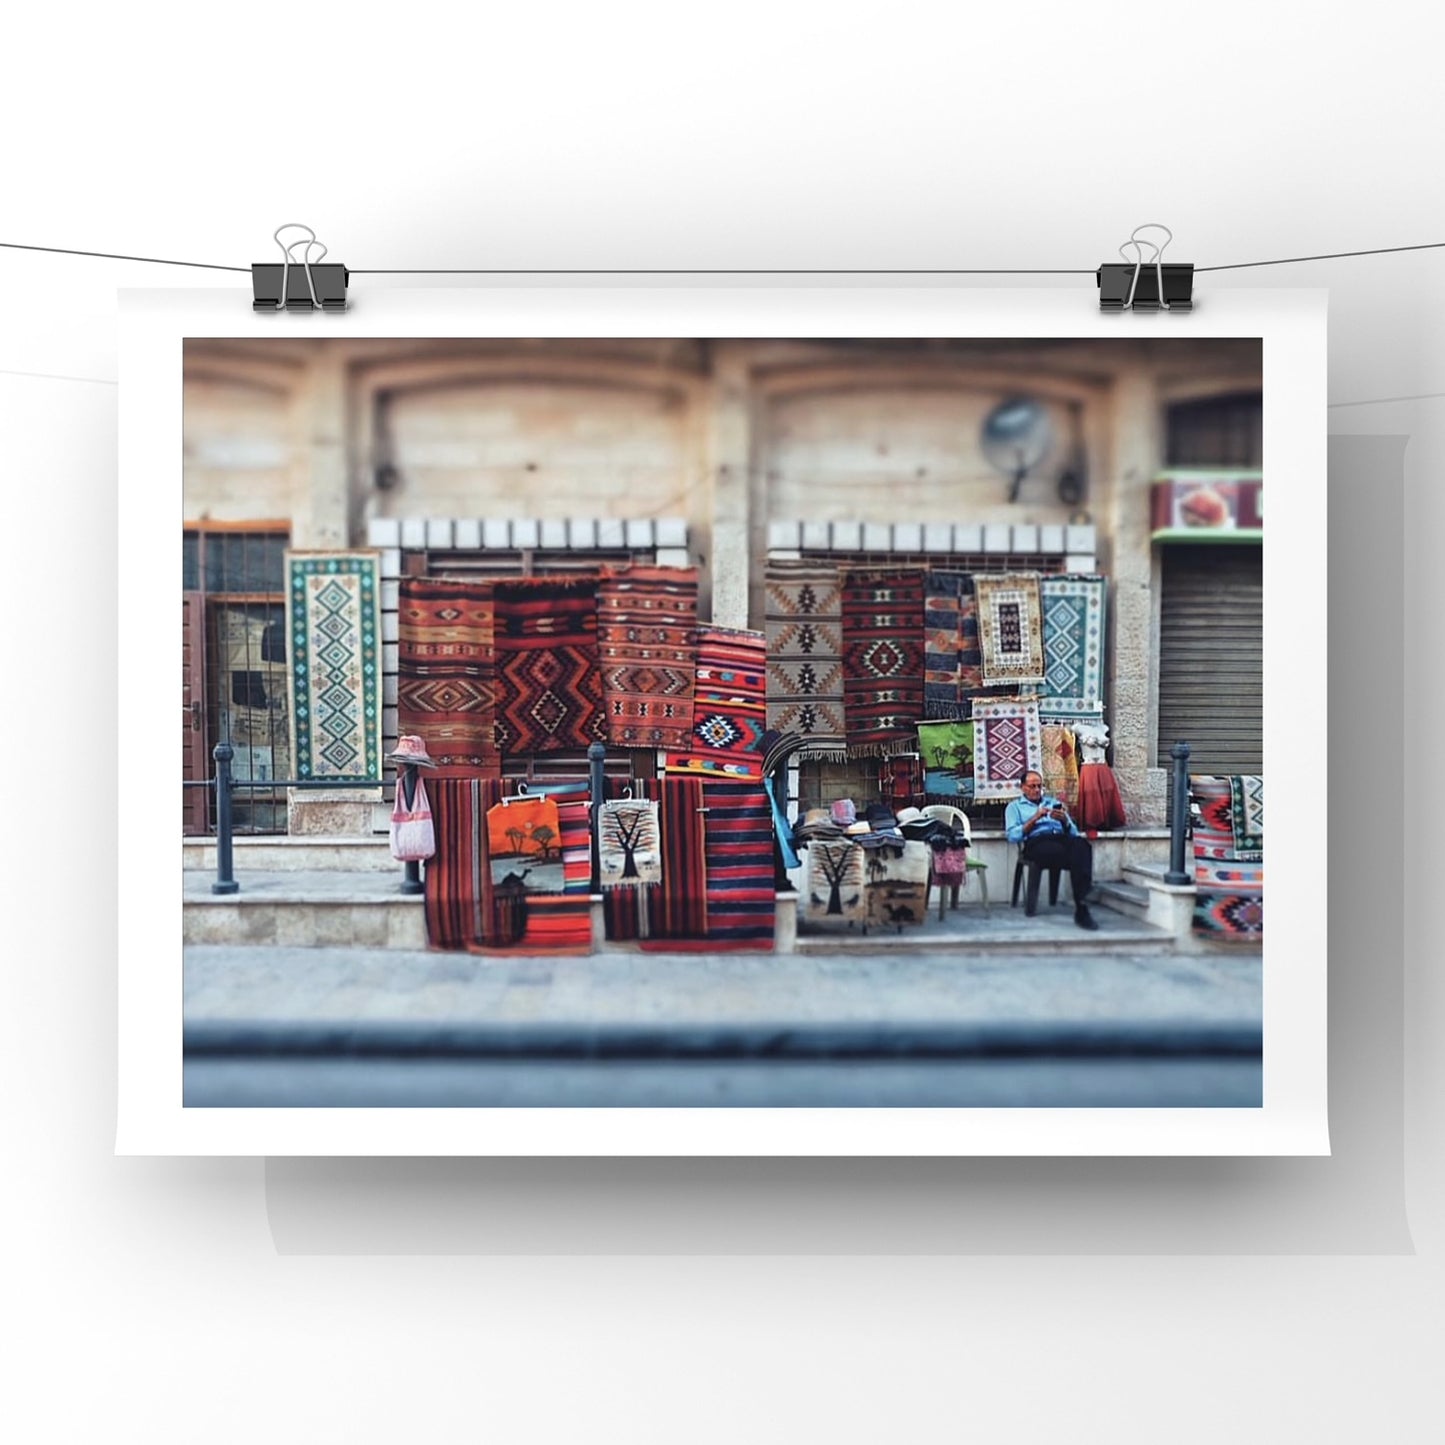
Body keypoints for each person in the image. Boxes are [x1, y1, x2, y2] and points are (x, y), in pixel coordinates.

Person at [1004, 770, 1098, 930]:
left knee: (1082, 846)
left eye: (1039, 786)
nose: (1036, 790)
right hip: (1035, 842)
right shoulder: (1014, 807)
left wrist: (1064, 821)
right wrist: (1035, 818)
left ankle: (1082, 903)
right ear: (1023, 788)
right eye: (1032, 786)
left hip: (1059, 838)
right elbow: (1012, 836)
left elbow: (1073, 832)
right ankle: (1083, 898)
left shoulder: (1051, 802)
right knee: (1070, 855)